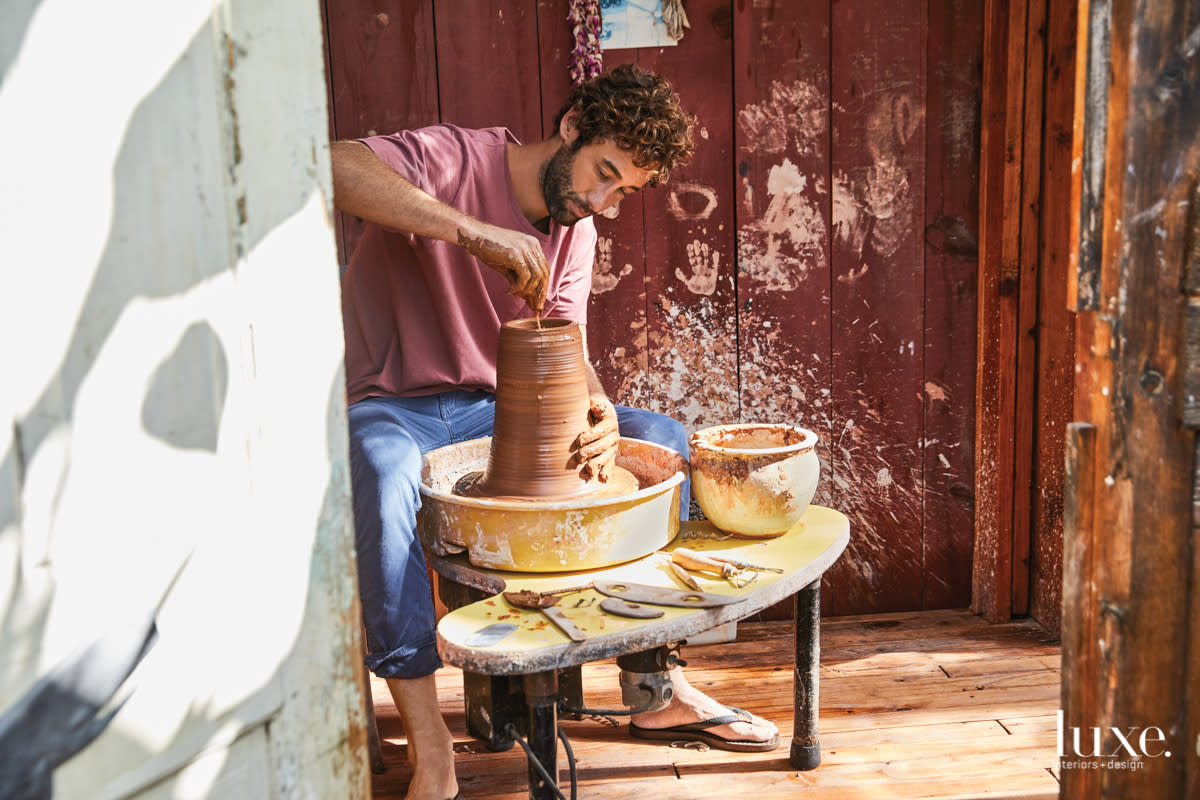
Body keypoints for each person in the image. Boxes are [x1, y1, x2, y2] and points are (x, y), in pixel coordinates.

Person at [332, 64, 778, 800]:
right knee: (383, 485)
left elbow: (566, 345)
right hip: (392, 403)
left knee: (660, 439)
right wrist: (473, 234)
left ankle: (653, 689)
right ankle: (431, 745)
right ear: (571, 128)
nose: (603, 201)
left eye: (623, 191)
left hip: (500, 415)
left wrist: (596, 409)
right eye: (603, 173)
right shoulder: (455, 158)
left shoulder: (578, 232)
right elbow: (335, 167)